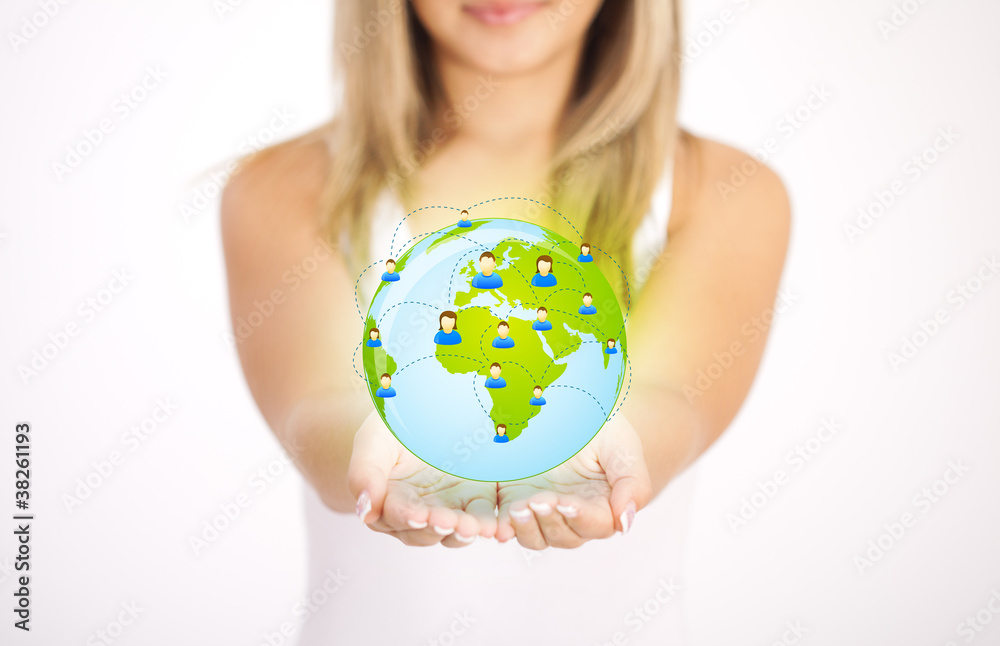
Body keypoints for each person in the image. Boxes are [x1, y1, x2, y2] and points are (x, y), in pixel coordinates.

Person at [223, 0, 791, 642]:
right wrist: (378, 445)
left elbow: (675, 397)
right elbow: (317, 405)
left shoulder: (723, 190)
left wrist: (613, 446)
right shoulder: (284, 187)